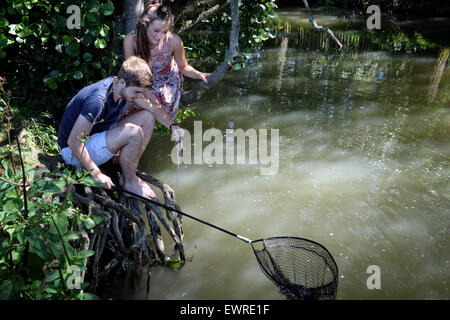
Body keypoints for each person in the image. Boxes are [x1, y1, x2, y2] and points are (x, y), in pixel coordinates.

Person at [57, 56, 184, 199]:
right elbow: (74, 142)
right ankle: (130, 183)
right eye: (137, 92)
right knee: (133, 132)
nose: (139, 97)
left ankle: (129, 173)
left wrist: (173, 126)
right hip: (72, 153)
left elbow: (153, 109)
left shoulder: (120, 87)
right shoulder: (97, 100)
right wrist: (96, 174)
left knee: (147, 117)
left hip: (95, 136)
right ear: (122, 82)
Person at [122, 1, 211, 119]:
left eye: (164, 32)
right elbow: (131, 73)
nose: (160, 37)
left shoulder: (174, 41)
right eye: (156, 31)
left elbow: (184, 67)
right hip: (141, 80)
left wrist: (199, 74)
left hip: (165, 81)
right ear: (145, 25)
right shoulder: (131, 40)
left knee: (153, 111)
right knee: (130, 105)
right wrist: (148, 96)